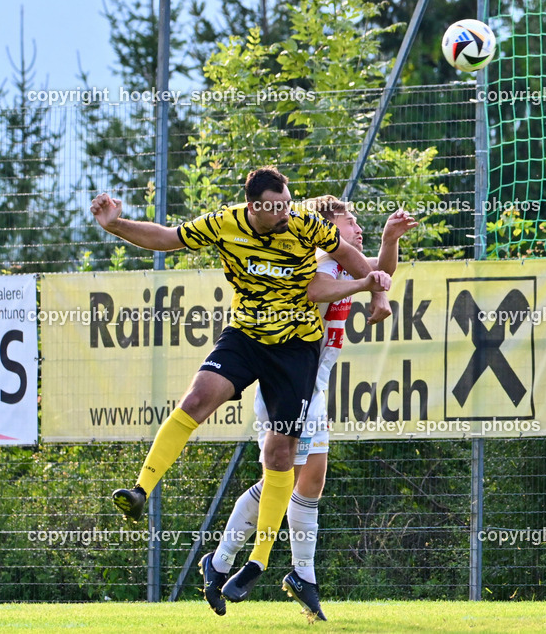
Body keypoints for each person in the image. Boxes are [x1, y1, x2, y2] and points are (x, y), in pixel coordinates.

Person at [91, 167, 392, 602]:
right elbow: (166, 237)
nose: (286, 212)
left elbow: (346, 254)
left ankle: (259, 560)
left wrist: (375, 291)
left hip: (295, 348)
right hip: (247, 335)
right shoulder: (223, 222)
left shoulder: (305, 225)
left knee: (284, 454)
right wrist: (116, 225)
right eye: (276, 207)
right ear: (254, 208)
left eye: (288, 202)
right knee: (197, 398)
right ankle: (140, 490)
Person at [198, 198, 416, 622]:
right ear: (325, 226)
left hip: (312, 385)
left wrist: (389, 243)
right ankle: (226, 562)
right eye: (347, 220)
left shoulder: (337, 262)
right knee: (282, 480)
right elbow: (322, 286)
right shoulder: (318, 256)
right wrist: (369, 288)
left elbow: (379, 273)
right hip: (291, 383)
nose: (355, 226)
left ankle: (294, 575)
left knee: (309, 481)